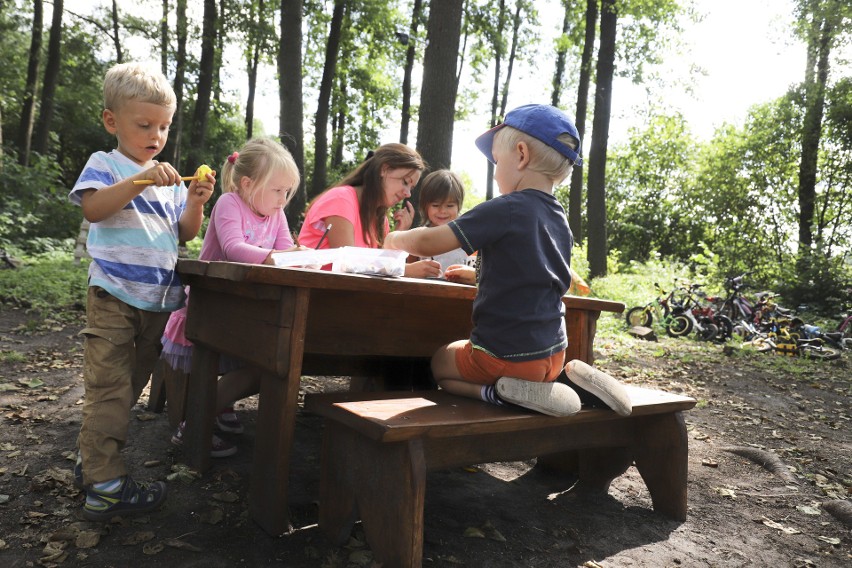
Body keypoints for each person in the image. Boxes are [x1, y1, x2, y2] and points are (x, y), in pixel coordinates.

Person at [383, 104, 631, 417]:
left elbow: (430, 240)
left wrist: (395, 238)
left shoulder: (506, 208)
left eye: (497, 161)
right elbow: (533, 275)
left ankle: (499, 393)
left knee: (439, 362)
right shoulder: (559, 219)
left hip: (503, 355)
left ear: (521, 155)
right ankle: (569, 378)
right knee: (532, 367)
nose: (496, 170)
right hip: (552, 351)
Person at [69, 62, 215, 521]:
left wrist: (194, 202)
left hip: (156, 302)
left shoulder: (169, 178)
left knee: (128, 385)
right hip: (113, 294)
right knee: (109, 388)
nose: (156, 135)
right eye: (145, 124)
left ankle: (93, 461)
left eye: (164, 126)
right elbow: (94, 208)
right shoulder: (106, 164)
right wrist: (140, 180)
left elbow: (184, 235)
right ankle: (106, 486)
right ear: (112, 121)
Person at [160, 137, 303, 456]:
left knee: (275, 362)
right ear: (248, 184)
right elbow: (234, 248)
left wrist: (297, 253)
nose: (283, 200)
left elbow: (284, 250)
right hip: (211, 306)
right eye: (277, 190)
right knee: (259, 366)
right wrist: (280, 255)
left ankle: (220, 404)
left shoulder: (276, 214)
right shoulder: (229, 203)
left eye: (287, 192)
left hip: (248, 307)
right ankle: (194, 424)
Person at [298, 143, 442, 279]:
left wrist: (399, 233)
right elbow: (348, 264)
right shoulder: (341, 199)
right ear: (384, 169)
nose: (408, 193)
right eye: (405, 182)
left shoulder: (380, 218)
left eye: (411, 188)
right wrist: (406, 270)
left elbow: (378, 272)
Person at [414, 170, 475, 280]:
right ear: (425, 206)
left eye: (450, 205)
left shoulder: (468, 235)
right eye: (436, 205)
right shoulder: (419, 235)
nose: (442, 211)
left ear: (459, 206)